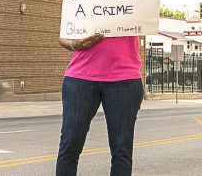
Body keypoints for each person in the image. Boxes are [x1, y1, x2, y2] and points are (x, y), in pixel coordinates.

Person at [56, 34, 144, 175]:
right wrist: (75, 45)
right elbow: (63, 36)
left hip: (125, 77)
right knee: (70, 144)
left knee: (122, 150)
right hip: (80, 77)